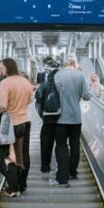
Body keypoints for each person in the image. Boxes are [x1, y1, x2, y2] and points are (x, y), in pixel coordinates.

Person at [0, 58, 34, 197]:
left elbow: (3, 106)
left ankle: (14, 187)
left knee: (0, 156)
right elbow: (30, 100)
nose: (1, 70)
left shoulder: (5, 83)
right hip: (25, 122)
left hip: (11, 124)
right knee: (23, 155)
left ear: (6, 68)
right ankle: (22, 185)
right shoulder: (25, 82)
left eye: (1, 68)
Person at [51, 58, 92, 187]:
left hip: (59, 118)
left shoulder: (57, 75)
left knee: (61, 146)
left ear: (65, 65)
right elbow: (86, 96)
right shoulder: (80, 75)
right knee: (75, 144)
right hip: (75, 118)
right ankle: (72, 172)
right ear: (74, 65)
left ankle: (62, 178)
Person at [34, 57, 60, 174]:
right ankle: (61, 168)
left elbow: (38, 98)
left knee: (45, 142)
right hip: (61, 118)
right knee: (61, 143)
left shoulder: (44, 83)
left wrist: (42, 114)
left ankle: (45, 166)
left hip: (47, 118)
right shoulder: (62, 83)